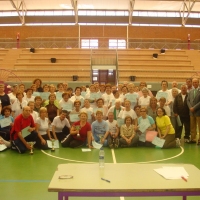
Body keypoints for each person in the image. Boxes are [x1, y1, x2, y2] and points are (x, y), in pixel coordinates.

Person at [187, 78, 200, 143]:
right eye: (194, 82)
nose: (195, 83)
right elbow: (188, 100)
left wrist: (194, 108)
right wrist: (190, 108)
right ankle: (193, 139)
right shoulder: (190, 91)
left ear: (198, 83)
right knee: (192, 126)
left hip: (198, 112)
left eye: (196, 82)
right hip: (191, 112)